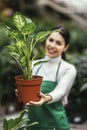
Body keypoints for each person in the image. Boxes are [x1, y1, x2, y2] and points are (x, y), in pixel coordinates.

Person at [18, 26, 77, 130]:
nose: (52, 45)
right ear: (46, 40)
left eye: (59, 43)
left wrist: (46, 98)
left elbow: (61, 91)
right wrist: (21, 93)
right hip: (33, 124)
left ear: (66, 47)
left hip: (57, 125)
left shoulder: (68, 69)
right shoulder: (33, 65)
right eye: (51, 40)